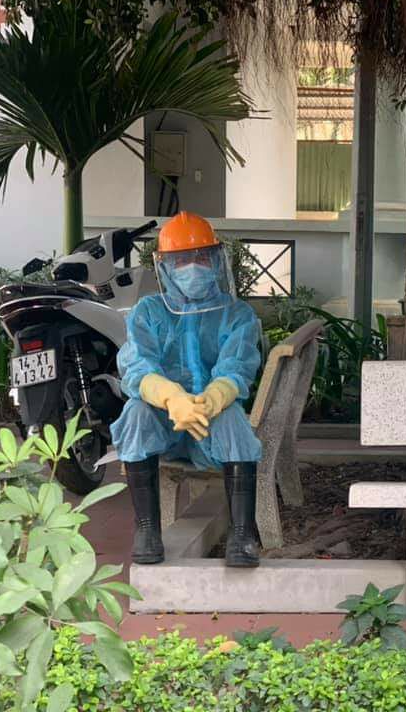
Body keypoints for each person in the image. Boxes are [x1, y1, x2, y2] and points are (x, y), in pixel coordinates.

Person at [110, 211, 263, 567]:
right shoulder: (147, 311)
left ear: (215, 259)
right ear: (164, 266)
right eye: (181, 259)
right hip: (164, 425)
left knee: (234, 420)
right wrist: (173, 398)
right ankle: (147, 529)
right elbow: (136, 365)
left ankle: (242, 534)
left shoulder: (236, 313)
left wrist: (211, 400)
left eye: (200, 256)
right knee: (135, 413)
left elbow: (236, 367)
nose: (192, 266)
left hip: (211, 428)